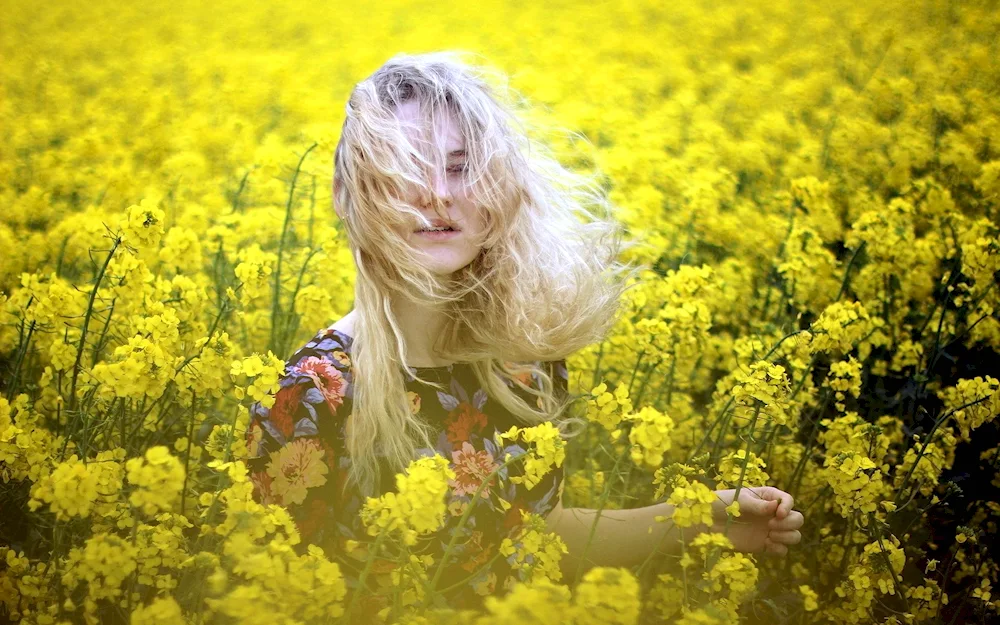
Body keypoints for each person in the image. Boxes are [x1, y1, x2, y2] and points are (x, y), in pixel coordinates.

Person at [246, 50, 804, 615]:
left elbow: (536, 535)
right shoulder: (309, 395)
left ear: (496, 192)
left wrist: (703, 520)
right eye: (406, 165)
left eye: (461, 167)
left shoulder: (522, 360)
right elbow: (273, 594)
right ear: (347, 196)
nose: (438, 193)